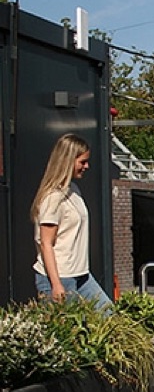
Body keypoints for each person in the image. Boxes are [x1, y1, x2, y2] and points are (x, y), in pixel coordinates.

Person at [31, 133, 112, 310]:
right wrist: (56, 284)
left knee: (110, 318)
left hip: (81, 273)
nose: (86, 166)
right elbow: (46, 243)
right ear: (68, 161)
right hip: (60, 276)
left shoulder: (73, 190)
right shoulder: (52, 198)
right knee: (67, 333)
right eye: (82, 162)